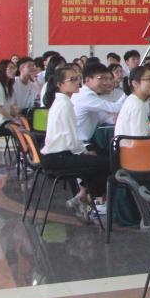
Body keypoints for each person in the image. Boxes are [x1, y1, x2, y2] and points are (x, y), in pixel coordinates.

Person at [41, 64, 107, 223]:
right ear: (60, 84)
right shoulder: (64, 105)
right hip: (58, 158)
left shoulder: (63, 102)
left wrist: (85, 151)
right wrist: (85, 152)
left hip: (55, 155)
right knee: (104, 162)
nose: (78, 82)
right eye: (72, 79)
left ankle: (82, 197)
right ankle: (88, 199)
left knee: (99, 159)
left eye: (78, 78)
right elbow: (71, 139)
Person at [72, 63, 123, 142]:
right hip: (79, 142)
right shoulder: (86, 96)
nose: (105, 83)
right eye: (101, 78)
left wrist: (113, 119)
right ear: (88, 80)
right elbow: (114, 108)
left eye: (106, 79)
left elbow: (101, 117)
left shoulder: (89, 95)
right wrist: (131, 93)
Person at [114, 64, 150, 137]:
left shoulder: (134, 100)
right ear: (135, 83)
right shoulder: (136, 105)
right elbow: (140, 139)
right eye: (149, 79)